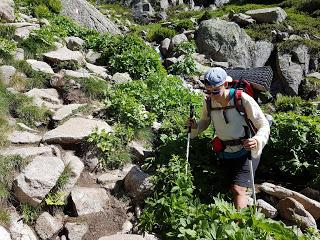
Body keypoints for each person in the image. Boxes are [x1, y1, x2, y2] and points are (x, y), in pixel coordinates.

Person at [187, 67, 270, 209]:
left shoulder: (242, 99)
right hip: (226, 151)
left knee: (238, 189)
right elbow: (205, 122)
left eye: (216, 91)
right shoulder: (209, 102)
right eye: (208, 91)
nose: (213, 95)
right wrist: (195, 126)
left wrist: (257, 140)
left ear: (225, 85)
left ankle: (240, 226)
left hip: (247, 150)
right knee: (229, 187)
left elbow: (263, 124)